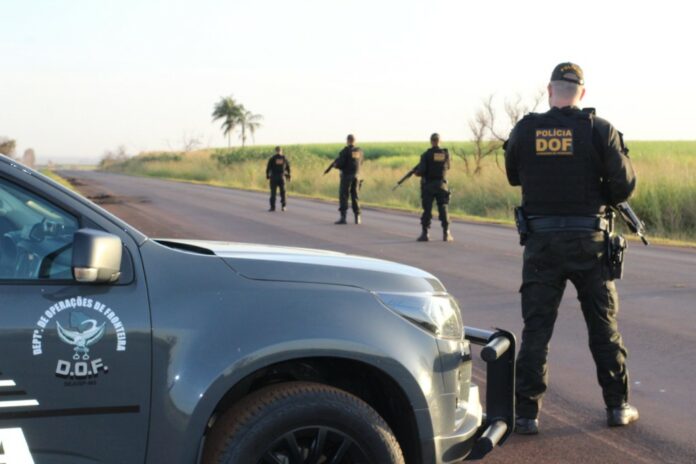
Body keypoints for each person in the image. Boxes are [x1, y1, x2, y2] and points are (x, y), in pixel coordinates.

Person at [504, 62, 638, 435]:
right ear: (583, 92)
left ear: (550, 91)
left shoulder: (525, 130)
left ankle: (526, 415)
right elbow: (624, 187)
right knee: (603, 327)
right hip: (589, 243)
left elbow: (514, 176)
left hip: (542, 243)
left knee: (536, 329)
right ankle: (617, 407)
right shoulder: (599, 129)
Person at [414, 133, 453, 242]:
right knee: (443, 208)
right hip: (441, 185)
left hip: (429, 186)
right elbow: (448, 167)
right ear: (440, 141)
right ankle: (446, 233)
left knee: (427, 209)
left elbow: (421, 171)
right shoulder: (446, 154)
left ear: (431, 141)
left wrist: (416, 173)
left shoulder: (426, 155)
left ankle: (425, 233)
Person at [332, 134, 363, 224]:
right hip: (356, 176)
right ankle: (357, 217)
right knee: (355, 196)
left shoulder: (345, 151)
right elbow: (359, 162)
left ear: (348, 140)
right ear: (354, 141)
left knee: (344, 196)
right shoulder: (359, 151)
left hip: (346, 176)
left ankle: (343, 217)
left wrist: (335, 165)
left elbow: (341, 163)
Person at [266, 146, 291, 212]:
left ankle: (272, 207)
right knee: (283, 193)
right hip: (282, 177)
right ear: (281, 150)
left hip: (273, 177)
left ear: (275, 151)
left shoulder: (272, 158)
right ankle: (283, 206)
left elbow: (268, 168)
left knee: (273, 193)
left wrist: (267, 176)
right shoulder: (284, 158)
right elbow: (288, 168)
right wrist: (289, 176)